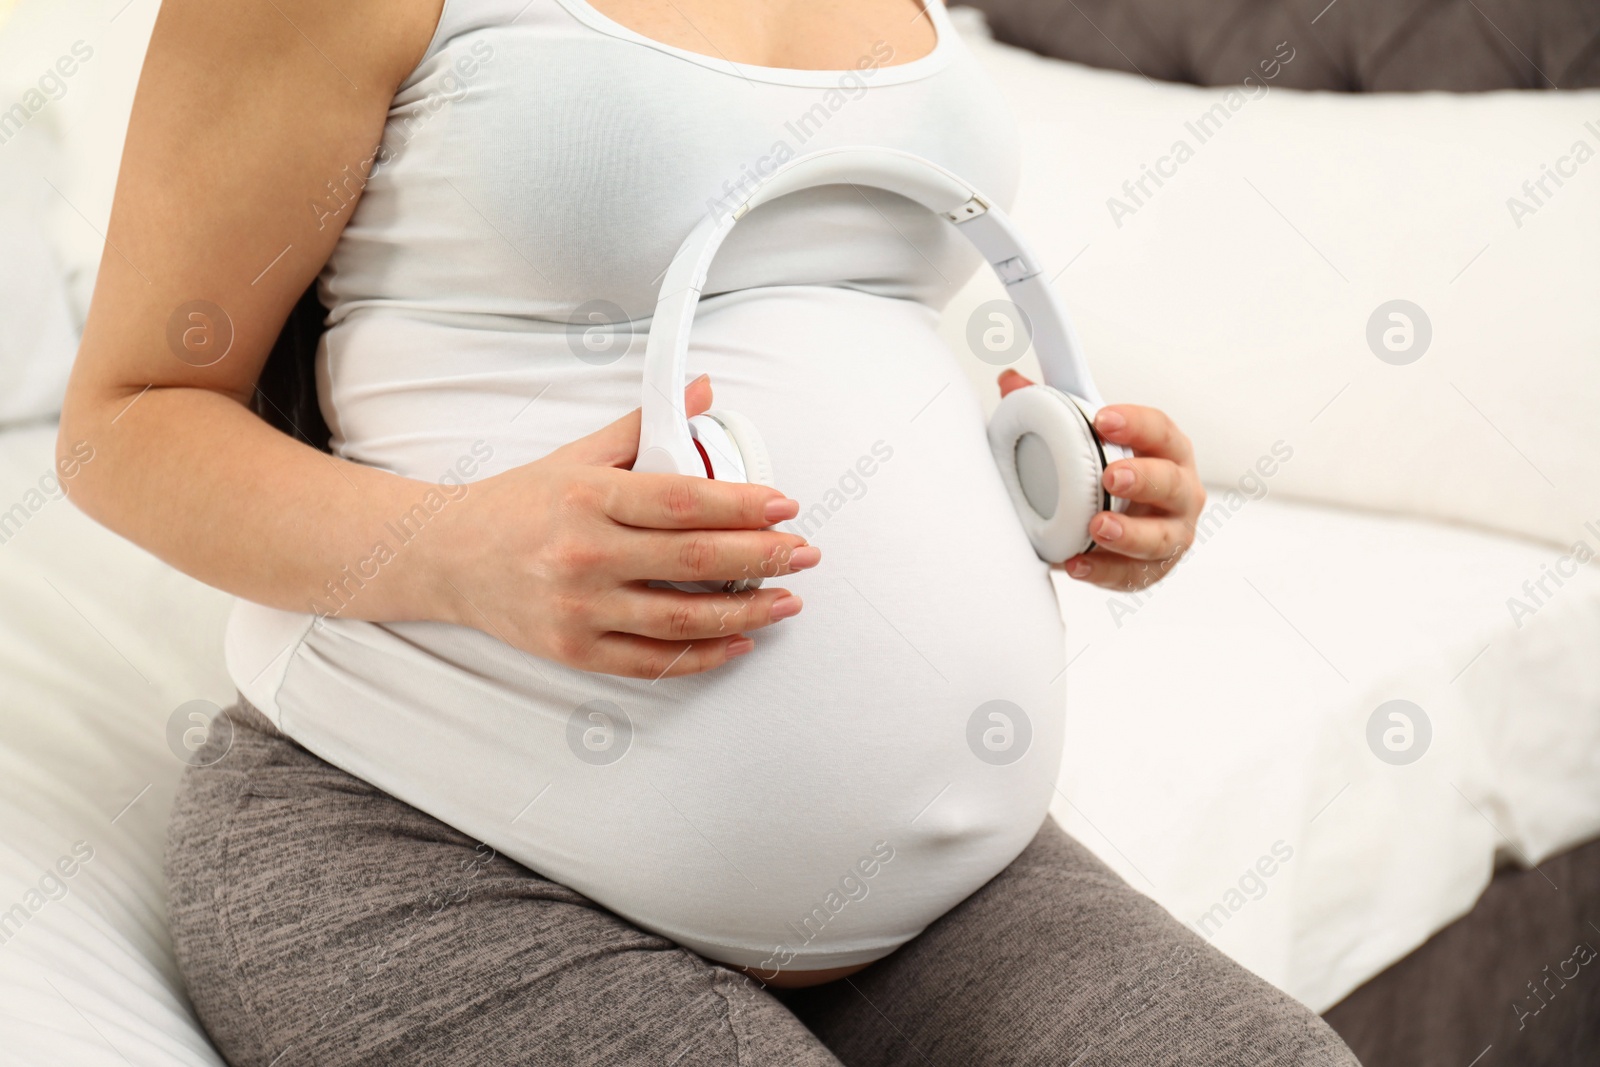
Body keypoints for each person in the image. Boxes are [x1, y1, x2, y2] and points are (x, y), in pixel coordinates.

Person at [59, 0, 1359, 1062]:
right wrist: (466, 548)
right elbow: (124, 422)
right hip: (429, 840)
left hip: (938, 894)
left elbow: (835, 303)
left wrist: (1075, 482)